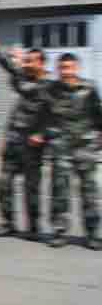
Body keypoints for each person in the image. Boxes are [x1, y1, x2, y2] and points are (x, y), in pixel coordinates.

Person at [31, 53, 102, 249]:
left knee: (89, 192)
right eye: (62, 67)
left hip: (84, 147)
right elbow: (43, 116)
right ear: (57, 69)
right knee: (59, 191)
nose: (66, 71)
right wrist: (40, 134)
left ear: (77, 68)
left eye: (70, 67)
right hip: (60, 148)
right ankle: (59, 232)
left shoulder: (89, 88)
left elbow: (98, 114)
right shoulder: (50, 90)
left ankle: (92, 234)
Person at [0, 38, 50, 240]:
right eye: (26, 61)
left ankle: (34, 227)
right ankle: (8, 223)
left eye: (32, 61)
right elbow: (9, 65)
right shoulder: (23, 78)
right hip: (13, 142)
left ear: (42, 63)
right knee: (2, 183)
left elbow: (56, 116)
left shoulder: (51, 87)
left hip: (33, 146)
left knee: (31, 187)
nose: (27, 64)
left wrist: (43, 134)